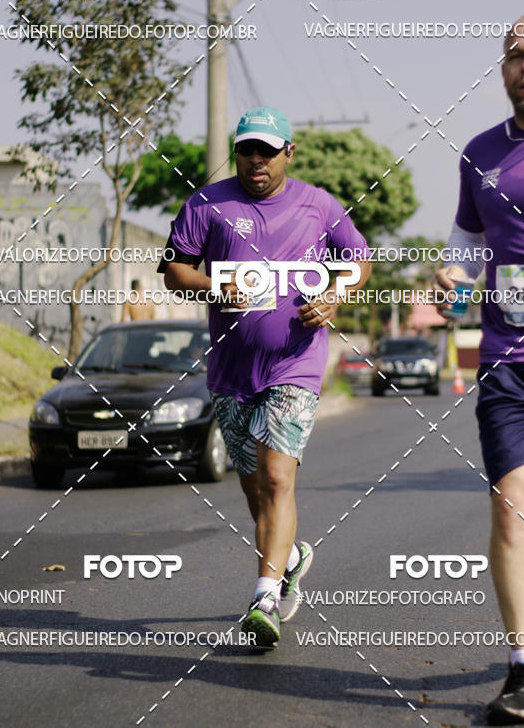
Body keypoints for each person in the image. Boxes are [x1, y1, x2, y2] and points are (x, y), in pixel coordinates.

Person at [158, 106, 371, 646]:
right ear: (238, 152)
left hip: (295, 364)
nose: (256, 159)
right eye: (247, 149)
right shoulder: (206, 204)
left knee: (278, 477)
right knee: (256, 489)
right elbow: (175, 270)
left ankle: (264, 598)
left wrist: (334, 295)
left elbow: (359, 259)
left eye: (267, 150)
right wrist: (210, 288)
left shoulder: (317, 205)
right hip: (231, 370)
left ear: (287, 153)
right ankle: (290, 556)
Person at [434, 12, 524, 724]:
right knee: (513, 508)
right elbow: (468, 239)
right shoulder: (479, 153)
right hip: (512, 363)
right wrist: (451, 275)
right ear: (502, 70)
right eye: (516, 54)